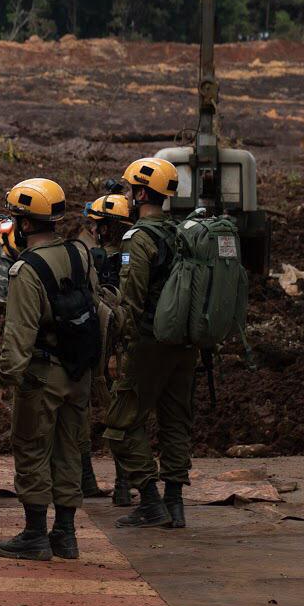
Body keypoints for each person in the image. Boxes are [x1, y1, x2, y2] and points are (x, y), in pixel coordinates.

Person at [0, 178, 94, 561]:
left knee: (32, 447)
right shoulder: (80, 254)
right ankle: (65, 534)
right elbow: (97, 307)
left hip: (43, 373)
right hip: (78, 371)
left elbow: (19, 334)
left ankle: (35, 533)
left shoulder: (26, 269)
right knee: (70, 448)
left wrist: (3, 379)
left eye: (16, 219)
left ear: (27, 224)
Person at [104, 157, 195, 530]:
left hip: (149, 342)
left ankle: (150, 499)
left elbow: (131, 299)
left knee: (121, 421)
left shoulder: (138, 238)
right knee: (176, 421)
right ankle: (174, 503)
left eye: (128, 190)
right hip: (186, 344)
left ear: (142, 193)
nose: (125, 195)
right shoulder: (183, 233)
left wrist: (119, 347)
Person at [81, 193, 134, 505]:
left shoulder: (98, 259)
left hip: (100, 348)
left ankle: (88, 479)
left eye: (97, 224)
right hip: (119, 349)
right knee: (121, 416)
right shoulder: (132, 254)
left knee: (82, 414)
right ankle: (124, 484)